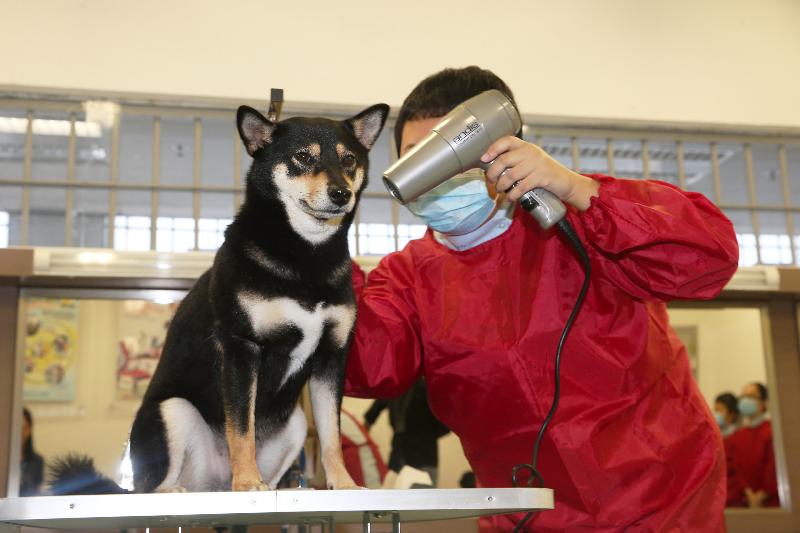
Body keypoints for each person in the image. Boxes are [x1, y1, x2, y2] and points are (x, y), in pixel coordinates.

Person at [344, 66, 739, 531]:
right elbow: (364, 365)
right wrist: (314, 256)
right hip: (523, 514)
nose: (436, 178)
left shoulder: (584, 222)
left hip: (662, 505)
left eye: (448, 155)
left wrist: (579, 189)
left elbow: (709, 258)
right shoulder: (406, 280)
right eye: (417, 160)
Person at [363, 379, 448, 484]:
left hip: (423, 456)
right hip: (400, 455)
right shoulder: (393, 388)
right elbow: (370, 416)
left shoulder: (427, 387)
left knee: (422, 496)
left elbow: (447, 421)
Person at [726, 382, 779, 507]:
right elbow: (733, 469)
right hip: (743, 503)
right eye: (743, 396)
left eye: (751, 396)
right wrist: (747, 493)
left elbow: (774, 467)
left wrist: (761, 495)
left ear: (764, 402)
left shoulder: (774, 431)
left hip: (771, 504)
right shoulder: (734, 437)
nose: (745, 400)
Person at [20, 408, 44, 497]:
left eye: (24, 428)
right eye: (17, 427)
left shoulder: (37, 461)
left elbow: (37, 491)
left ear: (30, 430)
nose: (21, 432)